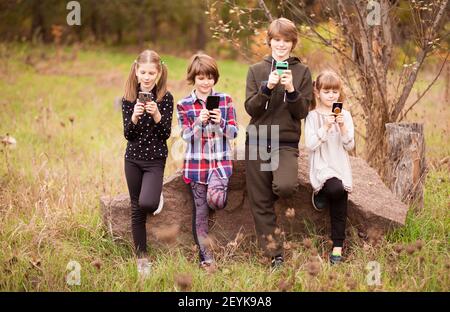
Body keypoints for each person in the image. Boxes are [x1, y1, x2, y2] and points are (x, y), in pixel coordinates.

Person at [244, 17, 313, 270]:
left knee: (284, 186)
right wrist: (267, 88)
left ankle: (273, 184)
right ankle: (276, 256)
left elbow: (302, 112)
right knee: (260, 200)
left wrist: (292, 90)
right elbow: (251, 108)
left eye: (286, 41)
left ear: (293, 43)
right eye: (277, 40)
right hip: (260, 139)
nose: (281, 45)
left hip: (284, 141)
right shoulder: (256, 70)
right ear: (269, 41)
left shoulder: (303, 72)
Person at [176, 53, 238, 271]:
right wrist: (198, 123)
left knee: (217, 202)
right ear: (194, 78)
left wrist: (219, 121)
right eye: (201, 77)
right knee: (200, 213)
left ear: (215, 78)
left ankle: (214, 202)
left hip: (220, 165)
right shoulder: (183, 104)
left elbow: (233, 132)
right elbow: (184, 136)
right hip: (197, 167)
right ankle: (206, 257)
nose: (206, 82)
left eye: (210, 77)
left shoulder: (226, 100)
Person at [121, 50, 173, 276]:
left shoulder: (166, 98)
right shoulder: (128, 98)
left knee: (147, 204)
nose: (147, 77)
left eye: (152, 72)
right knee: (136, 208)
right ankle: (142, 259)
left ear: (159, 72)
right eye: (143, 72)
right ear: (136, 70)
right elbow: (128, 135)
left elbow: (165, 134)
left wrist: (157, 115)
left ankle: (154, 195)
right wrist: (133, 116)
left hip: (154, 160)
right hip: (132, 159)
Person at [304, 70, 355, 265]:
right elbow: (310, 145)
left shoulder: (346, 115)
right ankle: (321, 193)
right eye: (327, 91)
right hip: (322, 166)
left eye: (335, 91)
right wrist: (325, 126)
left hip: (339, 164)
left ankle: (337, 249)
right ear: (317, 92)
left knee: (341, 197)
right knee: (334, 188)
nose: (332, 95)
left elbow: (349, 146)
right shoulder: (312, 116)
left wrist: (341, 127)